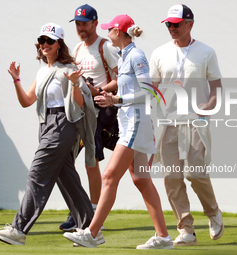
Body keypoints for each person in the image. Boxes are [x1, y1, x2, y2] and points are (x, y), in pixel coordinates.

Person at [64, 15, 174, 250]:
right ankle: (163, 237)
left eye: (110, 29)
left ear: (120, 32)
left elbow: (148, 92)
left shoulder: (136, 55)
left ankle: (92, 233)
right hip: (130, 124)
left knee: (109, 176)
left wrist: (116, 98)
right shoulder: (126, 56)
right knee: (141, 180)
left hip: (135, 125)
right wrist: (108, 98)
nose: (107, 33)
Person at [0, 23, 98, 246]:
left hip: (63, 124)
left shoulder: (69, 70)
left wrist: (76, 85)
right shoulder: (43, 71)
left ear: (59, 44)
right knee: (67, 180)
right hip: (46, 126)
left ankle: (18, 229)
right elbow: (27, 101)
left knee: (36, 174)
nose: (45, 45)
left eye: (50, 41)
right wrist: (16, 80)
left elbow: (79, 106)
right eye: (42, 41)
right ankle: (91, 230)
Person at [149, 4, 224, 246]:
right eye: (168, 24)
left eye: (176, 24)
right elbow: (153, 90)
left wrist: (208, 108)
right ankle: (186, 230)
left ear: (189, 24)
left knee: (195, 172)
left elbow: (216, 89)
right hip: (167, 123)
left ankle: (213, 213)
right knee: (171, 177)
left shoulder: (206, 52)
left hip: (195, 121)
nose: (171, 28)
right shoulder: (159, 52)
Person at [59, 4, 119, 231]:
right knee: (66, 162)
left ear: (95, 23)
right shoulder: (77, 48)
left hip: (97, 113)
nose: (80, 28)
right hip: (77, 111)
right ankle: (79, 210)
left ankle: (93, 213)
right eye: (77, 24)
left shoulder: (106, 47)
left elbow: (120, 79)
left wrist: (98, 90)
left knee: (91, 164)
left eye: (84, 23)